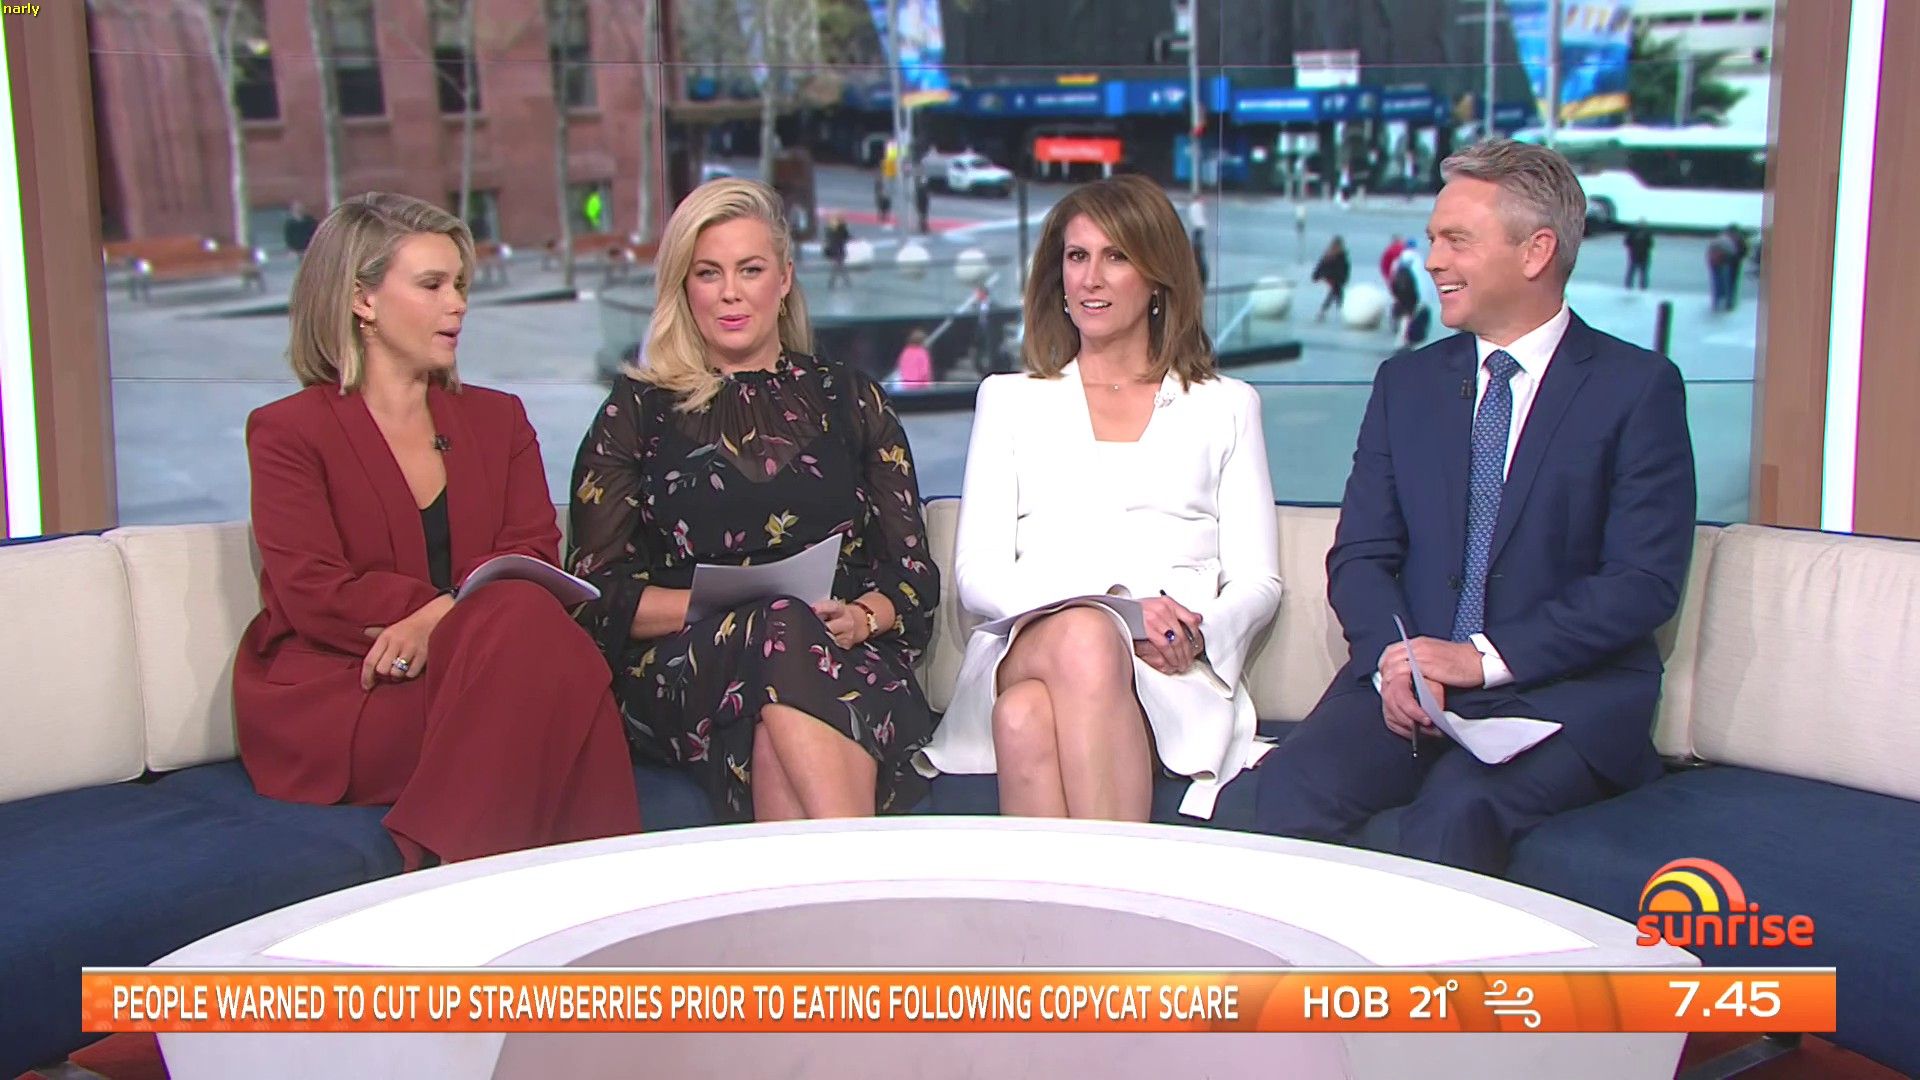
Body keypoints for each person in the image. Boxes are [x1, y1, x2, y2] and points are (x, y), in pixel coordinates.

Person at [1251, 139, 1697, 875]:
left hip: (1559, 696)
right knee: (1279, 795)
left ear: (1536, 251)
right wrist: (1397, 664)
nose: (1432, 261)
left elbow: (1641, 582)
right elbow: (1362, 554)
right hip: (1411, 685)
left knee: (1454, 816)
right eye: (1432, 239)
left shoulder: (1636, 388)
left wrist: (1481, 661)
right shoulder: (1407, 384)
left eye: (1456, 240)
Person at [234, 193, 641, 868]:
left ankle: (448, 876)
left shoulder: (498, 420)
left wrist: (441, 617)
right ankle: (605, 899)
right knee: (555, 670)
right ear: (362, 299)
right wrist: (447, 617)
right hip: (352, 686)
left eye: (460, 285)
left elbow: (532, 552)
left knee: (528, 631)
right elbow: (314, 591)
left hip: (490, 666)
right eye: (432, 285)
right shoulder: (288, 433)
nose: (457, 304)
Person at [567, 178, 941, 823]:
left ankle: (827, 885)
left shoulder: (851, 398)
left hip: (842, 654)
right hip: (689, 671)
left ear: (785, 278)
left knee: (776, 718)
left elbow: (911, 574)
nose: (730, 293)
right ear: (685, 287)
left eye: (750, 269)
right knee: (778, 629)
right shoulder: (637, 411)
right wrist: (724, 609)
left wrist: (862, 618)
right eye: (708, 273)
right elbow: (593, 596)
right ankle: (866, 872)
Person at [917, 174, 1283, 822]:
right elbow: (978, 577)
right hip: (1028, 643)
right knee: (1087, 638)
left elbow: (1259, 582)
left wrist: (1197, 636)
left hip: (1166, 668)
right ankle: (1132, 885)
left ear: (1157, 278)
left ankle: (1061, 895)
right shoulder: (1011, 400)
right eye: (1077, 256)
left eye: (1116, 257)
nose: (1090, 278)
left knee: (1026, 717)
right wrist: (1114, 610)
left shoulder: (1227, 407)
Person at [1312, 236, 1351, 321]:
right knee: (1336, 293)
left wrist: (1344, 279)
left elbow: (1345, 269)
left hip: (1336, 279)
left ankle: (1325, 311)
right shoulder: (1329, 256)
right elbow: (1321, 267)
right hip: (1330, 278)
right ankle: (1326, 311)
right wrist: (1316, 276)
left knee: (1336, 293)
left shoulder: (1341, 256)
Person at [823, 213, 852, 289]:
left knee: (839, 265)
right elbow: (846, 236)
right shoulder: (841, 228)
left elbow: (828, 238)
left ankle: (843, 281)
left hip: (833, 248)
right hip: (838, 248)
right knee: (838, 265)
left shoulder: (831, 228)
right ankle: (840, 281)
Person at [1623, 221, 1653, 290]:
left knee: (1641, 272)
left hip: (1642, 255)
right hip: (1637, 255)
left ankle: (1641, 286)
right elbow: (1627, 242)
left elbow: (1650, 244)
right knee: (1636, 271)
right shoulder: (1633, 232)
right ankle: (1630, 285)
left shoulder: (1647, 233)